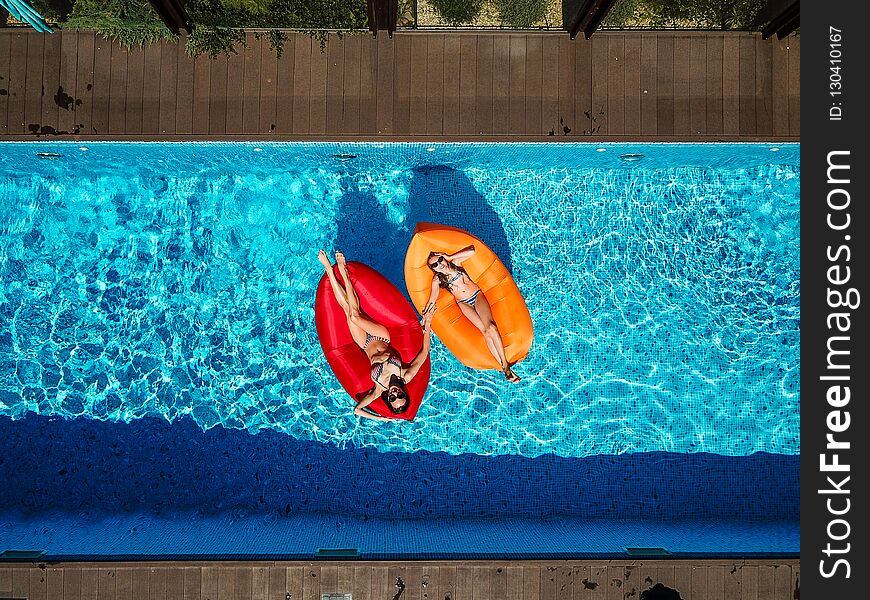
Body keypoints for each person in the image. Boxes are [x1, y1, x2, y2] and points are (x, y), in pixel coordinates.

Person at [318, 249, 435, 421]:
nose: (395, 394)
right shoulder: (406, 375)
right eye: (400, 395)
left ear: (388, 398)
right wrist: (428, 322)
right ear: (404, 392)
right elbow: (424, 352)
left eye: (392, 399)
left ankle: (329, 269)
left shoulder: (379, 389)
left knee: (348, 312)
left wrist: (383, 419)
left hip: (364, 344)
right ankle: (343, 271)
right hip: (381, 337)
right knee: (355, 316)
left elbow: (357, 410)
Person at [424, 245, 521, 383]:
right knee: (486, 332)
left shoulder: (455, 264)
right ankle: (505, 368)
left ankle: (505, 365)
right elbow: (432, 299)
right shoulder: (437, 280)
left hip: (476, 296)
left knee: (491, 327)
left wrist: (449, 257)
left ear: (443, 258)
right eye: (435, 265)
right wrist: (426, 316)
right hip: (464, 303)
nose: (439, 264)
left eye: (440, 260)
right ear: (433, 269)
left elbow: (472, 251)